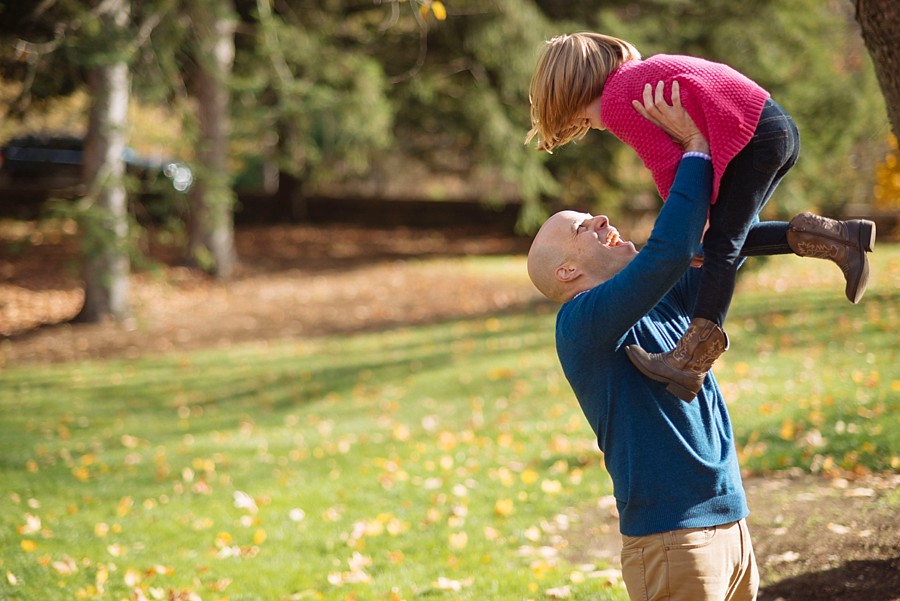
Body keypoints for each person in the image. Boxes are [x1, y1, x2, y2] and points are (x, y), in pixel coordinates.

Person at [526, 32, 875, 401]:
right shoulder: (631, 80)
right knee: (726, 239)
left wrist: (690, 221)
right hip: (774, 129)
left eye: (572, 113)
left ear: (568, 92)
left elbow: (668, 165)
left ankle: (692, 359)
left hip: (753, 138)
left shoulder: (614, 102)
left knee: (720, 246)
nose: (586, 125)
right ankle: (841, 239)